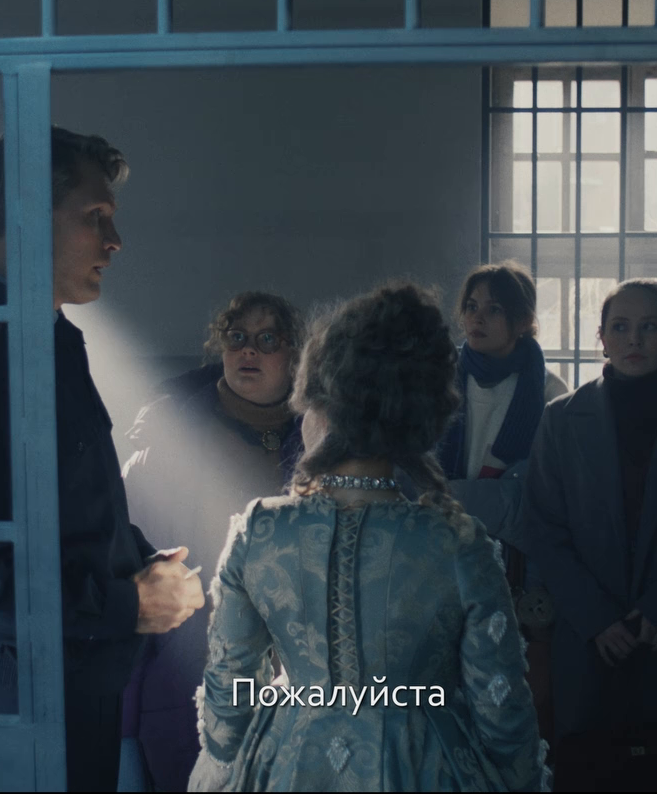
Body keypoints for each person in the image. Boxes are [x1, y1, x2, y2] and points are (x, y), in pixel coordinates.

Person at [0, 130, 205, 791]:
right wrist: (129, 603)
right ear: (25, 218)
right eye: (95, 216)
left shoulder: (49, 347)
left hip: (74, 684)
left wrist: (145, 565)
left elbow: (73, 514)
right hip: (28, 703)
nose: (114, 241)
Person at [189, 283, 547, 792]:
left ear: (317, 402)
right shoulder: (456, 543)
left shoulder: (261, 531)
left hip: (288, 763)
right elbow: (501, 708)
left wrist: (231, 763)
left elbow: (229, 702)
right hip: (425, 766)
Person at [118, 291, 307, 791]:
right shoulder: (165, 447)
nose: (249, 350)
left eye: (267, 339)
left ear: (294, 354)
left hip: (296, 685)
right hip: (187, 676)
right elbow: (126, 575)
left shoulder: (325, 448)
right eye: (236, 337)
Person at [519, 278, 657, 791]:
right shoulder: (561, 418)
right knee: (587, 768)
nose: (633, 339)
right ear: (601, 337)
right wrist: (594, 617)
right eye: (620, 327)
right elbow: (543, 528)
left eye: (649, 327)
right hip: (587, 637)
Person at [435, 261, 570, 740]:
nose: (477, 318)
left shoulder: (551, 394)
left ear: (522, 321)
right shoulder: (436, 384)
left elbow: (535, 501)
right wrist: (487, 499)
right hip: (442, 558)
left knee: (516, 701)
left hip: (518, 568)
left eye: (494, 309)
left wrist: (448, 496)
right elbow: (412, 475)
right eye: (471, 306)